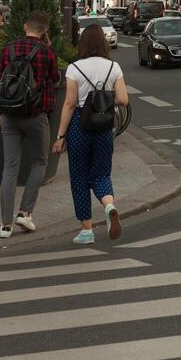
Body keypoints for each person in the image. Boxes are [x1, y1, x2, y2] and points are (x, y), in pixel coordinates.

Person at [54, 24, 128, 244]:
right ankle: (109, 205)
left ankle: (86, 230)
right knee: (101, 173)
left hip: (79, 124)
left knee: (79, 177)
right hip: (104, 125)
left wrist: (59, 137)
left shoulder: (74, 68)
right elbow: (123, 99)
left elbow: (69, 103)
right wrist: (104, 99)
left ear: (82, 43)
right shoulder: (114, 67)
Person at [0, 10, 60, 239]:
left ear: (24, 26)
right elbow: (55, 79)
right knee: (41, 161)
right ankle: (25, 212)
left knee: (10, 167)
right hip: (36, 115)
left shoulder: (8, 50)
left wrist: (0, 111)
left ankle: (5, 224)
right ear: (45, 31)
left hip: (9, 115)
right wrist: (47, 45)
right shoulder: (46, 52)